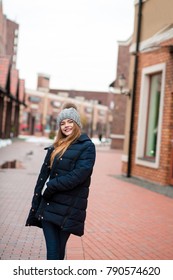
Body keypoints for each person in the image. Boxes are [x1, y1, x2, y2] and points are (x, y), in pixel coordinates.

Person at [25, 103, 96, 260]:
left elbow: (78, 175)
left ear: (76, 123)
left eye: (70, 121)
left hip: (69, 208)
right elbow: (43, 176)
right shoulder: (56, 146)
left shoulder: (87, 147)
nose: (66, 126)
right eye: (62, 123)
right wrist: (38, 200)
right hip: (49, 206)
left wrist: (51, 186)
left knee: (58, 252)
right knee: (53, 252)